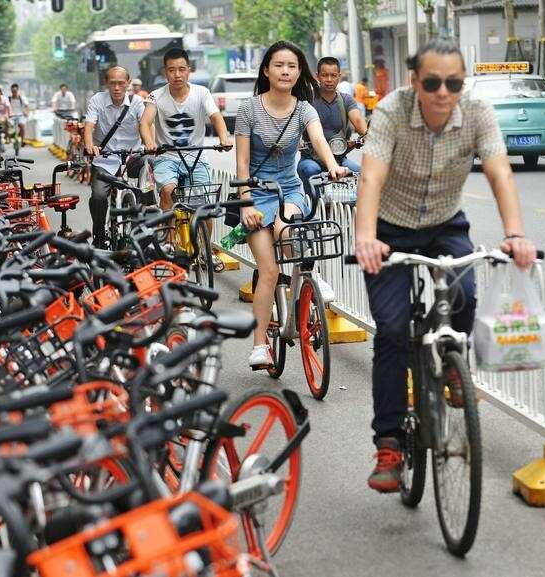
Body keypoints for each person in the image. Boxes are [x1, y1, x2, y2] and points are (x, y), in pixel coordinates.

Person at [353, 39, 536, 492]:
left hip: (443, 222)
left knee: (465, 294)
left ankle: (454, 367)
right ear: (414, 81)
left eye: (453, 83)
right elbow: (372, 175)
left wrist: (514, 233)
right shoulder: (392, 112)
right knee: (393, 331)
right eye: (432, 82)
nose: (442, 92)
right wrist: (366, 237)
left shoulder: (476, 113)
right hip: (389, 230)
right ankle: (390, 444)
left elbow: (499, 172)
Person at [234, 40, 348, 369]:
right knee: (268, 271)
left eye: (292, 66)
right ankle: (259, 346)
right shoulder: (249, 109)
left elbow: (319, 141)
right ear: (267, 70)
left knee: (289, 233)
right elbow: (241, 164)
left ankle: (310, 276)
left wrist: (332, 166)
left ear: (299, 73)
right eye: (279, 65)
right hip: (255, 192)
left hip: (288, 189)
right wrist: (246, 204)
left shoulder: (303, 109)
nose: (286, 71)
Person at [140, 48, 232, 268]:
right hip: (167, 157)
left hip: (196, 157)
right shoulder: (156, 95)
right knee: (168, 191)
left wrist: (223, 137)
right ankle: (171, 242)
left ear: (189, 70)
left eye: (182, 69)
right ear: (165, 72)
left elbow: (216, 116)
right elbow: (145, 122)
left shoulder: (202, 93)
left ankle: (206, 250)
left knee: (203, 205)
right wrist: (149, 143)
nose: (177, 74)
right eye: (172, 70)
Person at [84, 66, 152, 248]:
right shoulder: (97, 100)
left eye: (121, 83)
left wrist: (149, 144)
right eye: (112, 83)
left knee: (149, 172)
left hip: (132, 158)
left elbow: (144, 124)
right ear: (106, 83)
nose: (116, 87)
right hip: (105, 160)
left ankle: (147, 227)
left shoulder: (137, 101)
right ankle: (98, 235)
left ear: (127, 83)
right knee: (98, 196)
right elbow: (89, 126)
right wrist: (90, 146)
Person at [297, 56, 368, 195]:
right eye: (325, 75)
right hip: (311, 159)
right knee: (311, 171)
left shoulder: (346, 100)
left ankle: (354, 209)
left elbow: (359, 122)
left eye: (333, 75)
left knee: (361, 174)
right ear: (317, 76)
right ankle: (313, 208)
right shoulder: (306, 100)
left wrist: (367, 136)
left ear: (339, 77)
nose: (329, 79)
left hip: (340, 159)